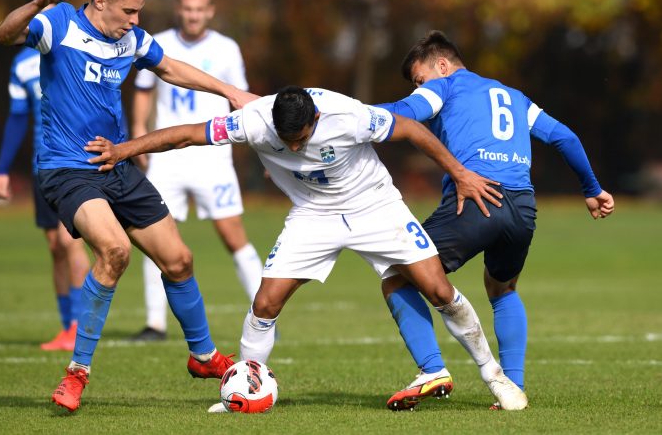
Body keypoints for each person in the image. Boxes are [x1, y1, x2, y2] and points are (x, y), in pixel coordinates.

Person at [86, 85, 529, 411]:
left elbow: (412, 130)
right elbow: (186, 134)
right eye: (287, 139)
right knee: (266, 301)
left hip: (375, 205)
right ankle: (246, 388)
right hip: (312, 215)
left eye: (301, 138)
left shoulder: (349, 114)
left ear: (315, 118)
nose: (294, 147)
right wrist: (125, 149)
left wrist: (460, 173)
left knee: (437, 288)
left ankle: (495, 377)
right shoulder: (255, 119)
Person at [0, 0, 256, 412]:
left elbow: (171, 68)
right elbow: (5, 34)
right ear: (100, 2)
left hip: (116, 164)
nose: (136, 22)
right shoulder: (59, 23)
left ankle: (203, 356)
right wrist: (38, 1)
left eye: (140, 13)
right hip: (66, 169)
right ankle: (77, 373)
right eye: (129, 12)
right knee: (114, 251)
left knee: (179, 260)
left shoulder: (130, 40)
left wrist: (229, 92)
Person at [375, 30, 615, 409]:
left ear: (441, 65)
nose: (419, 89)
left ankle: (432, 369)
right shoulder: (514, 96)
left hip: (475, 200)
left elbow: (403, 113)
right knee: (502, 288)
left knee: (396, 275)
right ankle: (512, 389)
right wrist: (592, 188)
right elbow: (564, 137)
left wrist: (344, 118)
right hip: (522, 208)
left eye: (420, 80)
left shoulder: (446, 86)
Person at [129, 0, 262, 342]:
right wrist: (140, 133)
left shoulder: (226, 49)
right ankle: (155, 323)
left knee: (233, 235)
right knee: (153, 234)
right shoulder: (160, 43)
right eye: (187, 8)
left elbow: (241, 99)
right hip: (167, 157)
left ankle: (265, 314)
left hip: (212, 157)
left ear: (210, 10)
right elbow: (143, 91)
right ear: (179, 8)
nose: (193, 15)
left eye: (199, 9)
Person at [0, 0, 92, 352]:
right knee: (55, 246)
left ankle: (83, 326)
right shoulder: (21, 64)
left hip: (75, 164)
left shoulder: (77, 49)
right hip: (42, 165)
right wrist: (2, 169)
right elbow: (18, 118)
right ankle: (67, 326)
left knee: (70, 242)